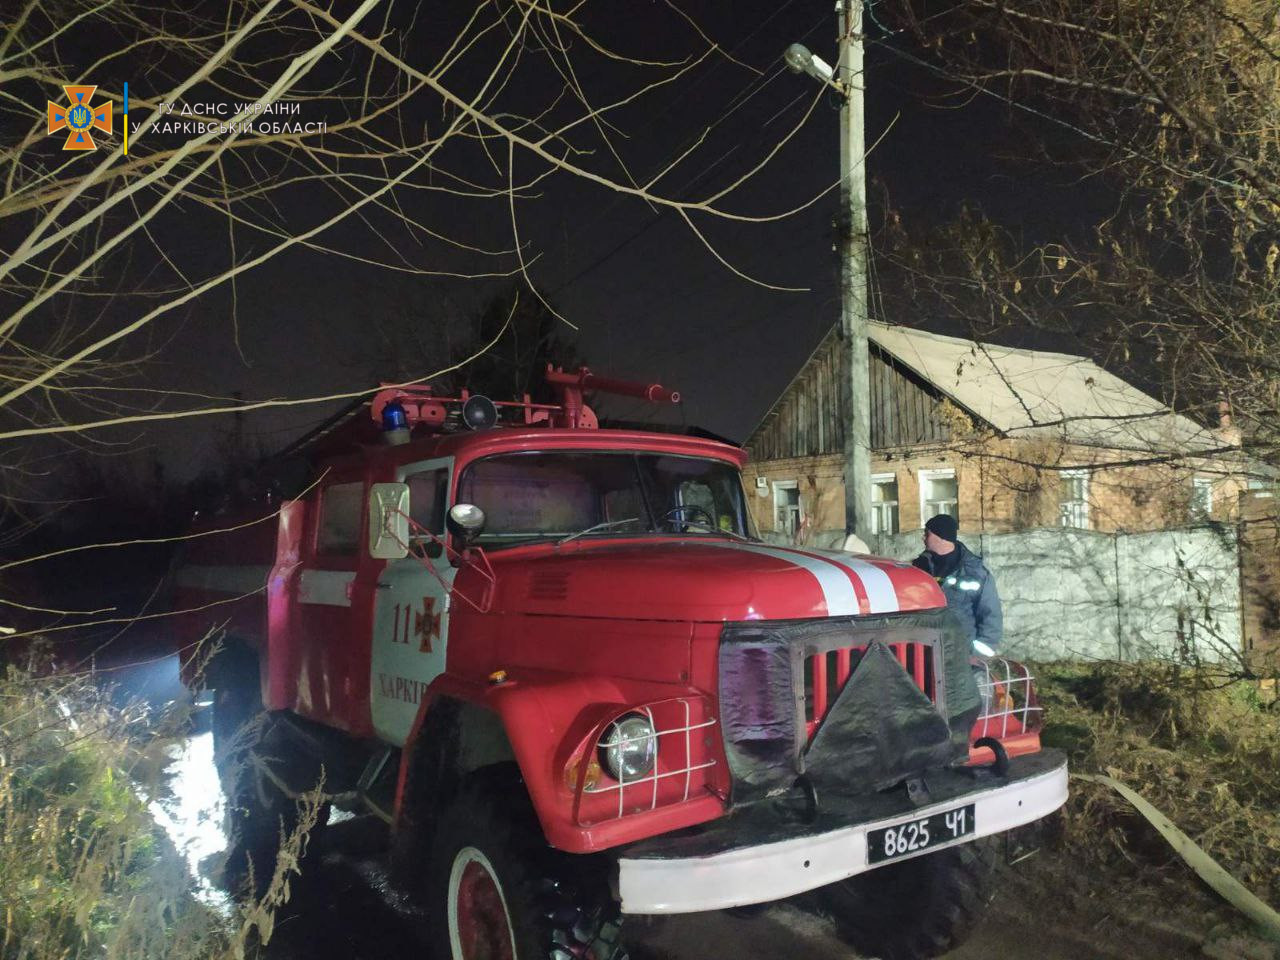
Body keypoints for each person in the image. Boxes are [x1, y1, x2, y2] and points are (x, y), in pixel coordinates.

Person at [912, 514, 1002, 655]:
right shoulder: (918, 568)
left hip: (961, 657)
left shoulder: (975, 572)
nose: (923, 538)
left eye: (927, 534)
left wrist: (977, 657)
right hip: (924, 655)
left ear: (941, 536)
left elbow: (991, 616)